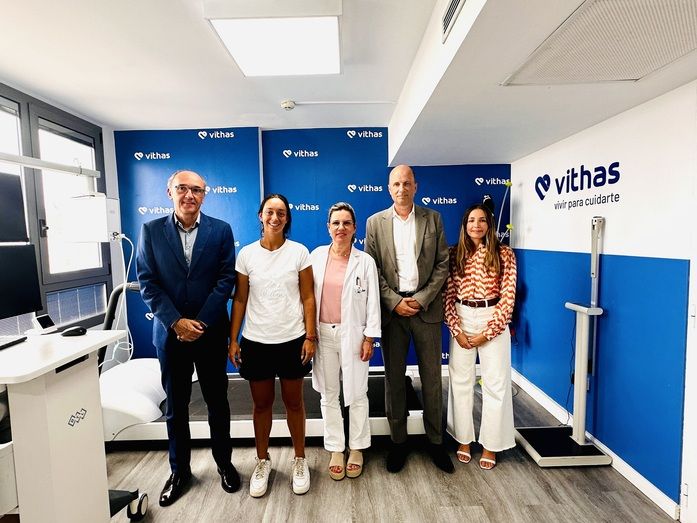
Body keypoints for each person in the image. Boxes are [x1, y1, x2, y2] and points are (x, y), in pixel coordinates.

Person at [136, 170, 239, 507]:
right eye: (182, 188)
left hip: (210, 333)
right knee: (176, 407)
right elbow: (148, 282)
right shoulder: (151, 231)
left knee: (217, 403)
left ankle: (225, 464)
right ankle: (179, 471)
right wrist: (177, 322)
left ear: (204, 195)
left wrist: (200, 323)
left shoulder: (220, 230)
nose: (189, 195)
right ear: (170, 192)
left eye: (197, 190)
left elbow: (225, 280)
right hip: (170, 335)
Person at [364, 165, 452, 473]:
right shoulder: (374, 223)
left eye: (407, 183)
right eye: (396, 184)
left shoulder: (433, 218)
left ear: (416, 187)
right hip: (393, 311)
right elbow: (372, 268)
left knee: (432, 379)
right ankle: (398, 442)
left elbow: (442, 263)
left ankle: (436, 442)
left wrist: (422, 298)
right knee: (394, 379)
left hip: (426, 309)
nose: (401, 189)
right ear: (389, 188)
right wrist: (395, 301)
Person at [229, 194, 317, 497]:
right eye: (270, 212)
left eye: (281, 213)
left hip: (293, 340)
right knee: (261, 405)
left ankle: (300, 460)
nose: (275, 218)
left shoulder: (299, 252)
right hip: (257, 342)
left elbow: (308, 297)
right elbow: (240, 299)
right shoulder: (247, 255)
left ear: (287, 218)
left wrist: (310, 337)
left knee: (295, 404)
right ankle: (262, 461)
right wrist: (233, 339)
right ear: (260, 215)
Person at [310, 202, 381, 480]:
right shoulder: (316, 257)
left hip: (354, 335)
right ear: (328, 227)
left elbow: (373, 302)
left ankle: (358, 447)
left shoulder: (365, 261)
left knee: (358, 392)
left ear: (354, 228)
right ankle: (336, 448)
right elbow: (307, 298)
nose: (341, 228)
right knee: (329, 394)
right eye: (336, 223)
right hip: (323, 334)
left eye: (346, 223)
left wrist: (369, 337)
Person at [444, 203, 517, 470]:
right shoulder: (453, 253)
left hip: (492, 316)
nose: (476, 225)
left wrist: (489, 332)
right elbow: (448, 294)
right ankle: (463, 439)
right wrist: (456, 329)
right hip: (462, 316)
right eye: (472, 220)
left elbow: (508, 295)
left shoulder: (504, 253)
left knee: (496, 384)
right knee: (460, 381)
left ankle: (491, 445)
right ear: (465, 225)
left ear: (489, 224)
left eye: (482, 220)